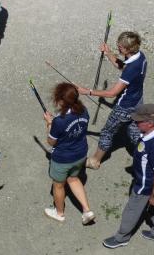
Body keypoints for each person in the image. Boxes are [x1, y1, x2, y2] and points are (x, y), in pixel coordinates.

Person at [76, 31, 147, 169]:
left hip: (125, 106)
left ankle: (95, 161)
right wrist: (108, 53)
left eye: (120, 46)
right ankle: (146, 152)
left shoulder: (131, 68)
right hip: (137, 101)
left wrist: (87, 91)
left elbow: (112, 93)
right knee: (133, 129)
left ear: (127, 49)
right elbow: (122, 66)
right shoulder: (140, 57)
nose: (118, 48)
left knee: (107, 132)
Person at [103, 104, 154, 248]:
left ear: (150, 123)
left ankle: (122, 238)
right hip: (151, 181)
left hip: (146, 183)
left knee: (132, 209)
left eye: (139, 121)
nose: (135, 122)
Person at [42, 83, 95, 225]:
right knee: (73, 178)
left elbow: (51, 142)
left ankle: (59, 213)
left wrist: (49, 124)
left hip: (63, 158)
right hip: (81, 153)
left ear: (61, 101)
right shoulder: (84, 111)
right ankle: (87, 210)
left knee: (58, 185)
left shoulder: (60, 121)